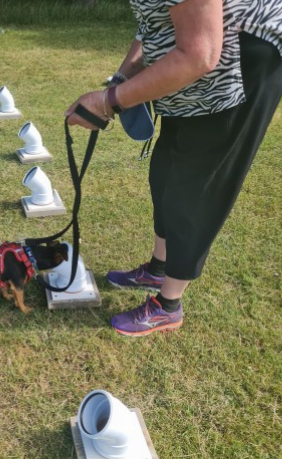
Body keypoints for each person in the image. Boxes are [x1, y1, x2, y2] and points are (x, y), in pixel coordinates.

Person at [65, 0, 282, 337]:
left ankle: (168, 306)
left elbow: (200, 54)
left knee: (194, 186)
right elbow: (152, 24)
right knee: (164, 170)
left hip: (240, 60)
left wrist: (109, 100)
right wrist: (123, 78)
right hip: (195, 61)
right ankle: (159, 267)